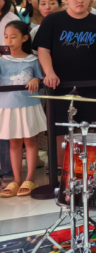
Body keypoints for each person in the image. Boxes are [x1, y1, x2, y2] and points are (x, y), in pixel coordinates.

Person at [34, 0, 96, 173]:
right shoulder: (53, 21)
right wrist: (49, 72)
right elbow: (43, 49)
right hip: (59, 85)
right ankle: (60, 170)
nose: (80, 0)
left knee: (90, 128)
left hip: (91, 85)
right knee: (60, 128)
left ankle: (88, 170)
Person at [0, 21, 44, 198]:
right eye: (6, 37)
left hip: (28, 105)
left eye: (13, 37)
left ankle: (30, 178)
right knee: (14, 143)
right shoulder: (2, 60)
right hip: (7, 106)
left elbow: (40, 78)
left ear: (24, 38)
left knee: (30, 141)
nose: (9, 41)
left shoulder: (33, 59)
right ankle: (16, 180)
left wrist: (36, 80)